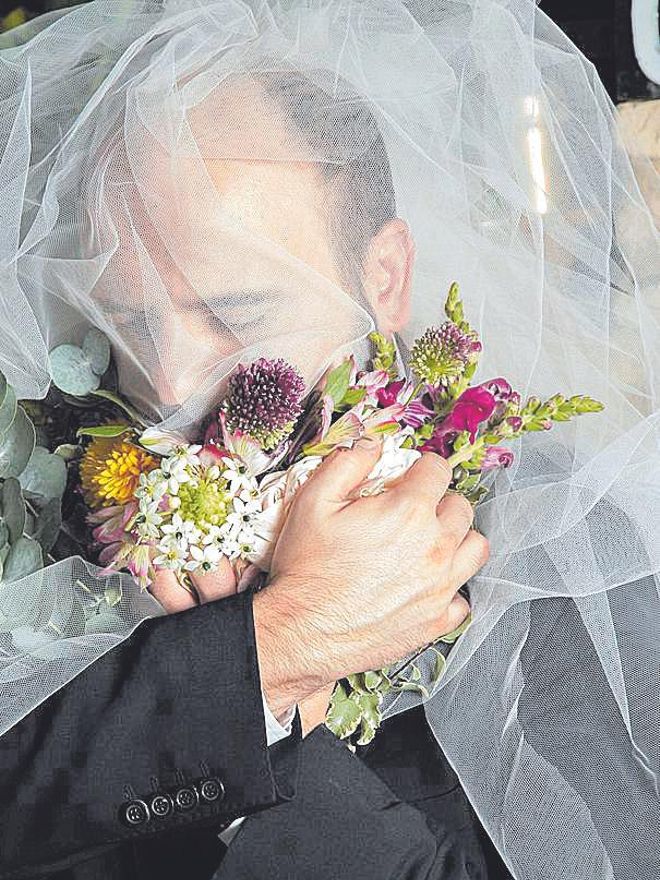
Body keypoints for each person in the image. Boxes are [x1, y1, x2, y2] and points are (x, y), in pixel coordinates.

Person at [0, 3, 658, 880]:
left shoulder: (572, 553)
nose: (168, 389)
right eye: (127, 327)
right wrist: (279, 651)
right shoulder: (48, 518)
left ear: (383, 278)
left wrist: (275, 725)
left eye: (234, 315)